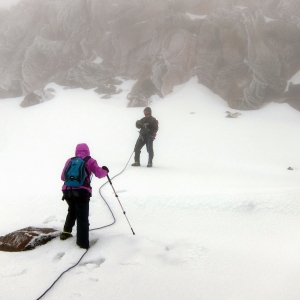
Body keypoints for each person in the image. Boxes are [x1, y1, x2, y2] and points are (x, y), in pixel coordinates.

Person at [60, 143, 109, 249]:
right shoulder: (90, 161)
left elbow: (63, 177)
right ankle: (82, 244)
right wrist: (105, 171)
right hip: (82, 192)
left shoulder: (70, 160)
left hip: (67, 191)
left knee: (72, 211)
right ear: (87, 151)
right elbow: (99, 174)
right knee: (82, 217)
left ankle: (65, 233)